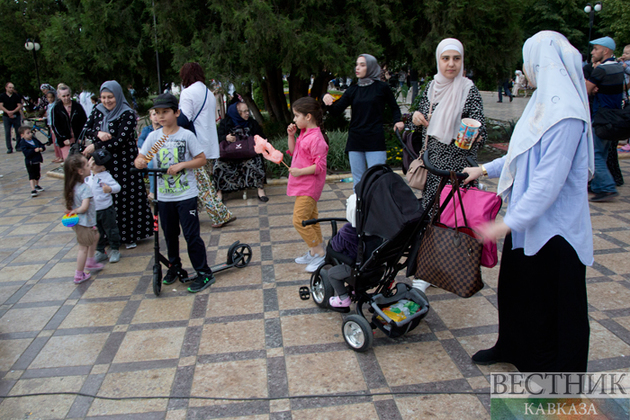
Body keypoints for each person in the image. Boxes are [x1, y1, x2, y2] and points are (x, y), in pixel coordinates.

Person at [463, 31, 593, 373]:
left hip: (556, 230)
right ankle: (513, 347)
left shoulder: (566, 114)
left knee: (555, 303)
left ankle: (558, 372)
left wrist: (506, 223)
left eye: (527, 59)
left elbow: (548, 183)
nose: (525, 67)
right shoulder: (542, 103)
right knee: (518, 292)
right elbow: (522, 156)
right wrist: (483, 169)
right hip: (527, 221)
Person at [135, 93, 216, 293]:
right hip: (164, 197)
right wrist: (140, 162)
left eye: (166, 112)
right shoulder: (155, 138)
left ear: (176, 112)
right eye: (157, 113)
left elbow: (201, 159)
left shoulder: (186, 135)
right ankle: (174, 266)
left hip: (185, 195)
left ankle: (204, 273)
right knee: (170, 235)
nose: (161, 116)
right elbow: (142, 157)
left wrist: (182, 165)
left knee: (191, 235)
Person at [410, 38, 487, 211]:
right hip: (433, 170)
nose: (451, 64)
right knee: (433, 222)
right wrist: (415, 118)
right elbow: (418, 123)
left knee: (459, 222)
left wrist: (476, 134)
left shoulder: (469, 90)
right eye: (446, 58)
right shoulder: (431, 88)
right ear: (438, 60)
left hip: (461, 172)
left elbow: (482, 131)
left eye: (456, 58)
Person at [82, 80, 153, 248]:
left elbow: (121, 140)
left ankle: (130, 235)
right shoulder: (97, 110)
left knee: (126, 198)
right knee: (106, 199)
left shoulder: (127, 113)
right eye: (104, 97)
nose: (107, 101)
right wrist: (98, 133)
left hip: (124, 163)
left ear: (118, 96)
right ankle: (108, 236)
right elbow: (86, 129)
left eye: (111, 97)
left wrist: (96, 145)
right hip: (104, 164)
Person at [323, 54, 403, 188]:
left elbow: (395, 108)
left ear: (371, 67)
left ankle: (377, 208)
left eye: (362, 65)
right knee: (358, 182)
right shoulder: (353, 90)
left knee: (377, 180)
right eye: (357, 64)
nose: (357, 68)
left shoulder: (381, 87)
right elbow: (336, 111)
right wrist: (325, 97)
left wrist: (397, 121)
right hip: (356, 140)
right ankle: (360, 208)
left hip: (375, 139)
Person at [178, 62, 235, 228]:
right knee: (201, 181)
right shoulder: (208, 93)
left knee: (202, 184)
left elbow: (184, 119)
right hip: (210, 144)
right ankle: (190, 214)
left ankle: (221, 215)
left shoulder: (188, 93)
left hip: (196, 146)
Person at [287, 97, 329, 273]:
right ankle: (315, 251)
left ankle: (319, 252)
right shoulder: (304, 133)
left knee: (300, 220)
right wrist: (291, 135)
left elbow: (320, 166)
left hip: (309, 186)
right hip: (301, 185)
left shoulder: (317, 139)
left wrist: (300, 171)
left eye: (297, 116)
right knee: (312, 220)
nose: (295, 119)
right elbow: (293, 151)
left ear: (308, 116)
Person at [584, 36, 624, 202]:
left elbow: (585, 89)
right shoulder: (619, 67)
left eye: (596, 49)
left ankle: (607, 187)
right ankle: (599, 186)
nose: (593, 52)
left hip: (601, 117)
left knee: (594, 153)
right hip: (614, 117)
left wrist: (593, 89)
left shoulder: (601, 70)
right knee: (603, 151)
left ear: (605, 51)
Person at [214, 101, 268, 202]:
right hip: (230, 154)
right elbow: (217, 138)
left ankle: (260, 190)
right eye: (242, 112)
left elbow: (263, 138)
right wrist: (225, 137)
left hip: (248, 154)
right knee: (219, 165)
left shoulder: (252, 123)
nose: (246, 113)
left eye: (247, 111)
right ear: (235, 113)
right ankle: (219, 192)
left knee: (257, 161)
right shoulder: (225, 123)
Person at [64, 154, 105, 284]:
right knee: (83, 248)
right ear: (80, 172)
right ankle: (79, 274)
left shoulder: (72, 186)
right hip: (84, 223)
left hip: (82, 223)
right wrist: (75, 211)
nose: (90, 167)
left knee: (95, 235)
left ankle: (91, 261)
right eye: (87, 165)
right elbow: (84, 207)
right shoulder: (85, 188)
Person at [86, 148, 121, 264]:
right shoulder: (89, 175)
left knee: (111, 230)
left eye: (94, 163)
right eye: (91, 160)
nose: (91, 164)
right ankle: (100, 251)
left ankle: (115, 249)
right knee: (97, 232)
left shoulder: (105, 176)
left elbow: (117, 187)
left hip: (106, 209)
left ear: (103, 167)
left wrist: (109, 189)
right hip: (93, 210)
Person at [327, 194, 359, 308]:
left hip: (355, 267)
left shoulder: (348, 231)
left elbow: (336, 247)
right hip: (375, 266)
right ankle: (356, 289)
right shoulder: (377, 228)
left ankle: (343, 298)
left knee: (332, 274)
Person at [51, 84, 88, 160]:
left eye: (68, 95)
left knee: (80, 160)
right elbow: (55, 125)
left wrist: (82, 137)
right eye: (63, 96)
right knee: (69, 161)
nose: (66, 98)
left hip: (77, 138)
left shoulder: (77, 106)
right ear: (59, 96)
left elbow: (84, 122)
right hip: (65, 140)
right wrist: (63, 138)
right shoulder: (56, 108)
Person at [137, 108, 161, 199]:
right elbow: (140, 141)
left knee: (151, 164)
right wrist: (147, 148)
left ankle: (152, 192)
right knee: (139, 166)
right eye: (154, 114)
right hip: (147, 154)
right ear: (150, 117)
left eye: (157, 114)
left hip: (157, 155)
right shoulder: (146, 129)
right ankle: (139, 192)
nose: (156, 117)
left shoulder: (163, 129)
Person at [18, 126, 46, 197]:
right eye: (28, 133)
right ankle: (33, 189)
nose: (30, 134)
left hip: (37, 160)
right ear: (22, 135)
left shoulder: (34, 140)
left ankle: (37, 185)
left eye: (31, 132)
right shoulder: (23, 143)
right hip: (30, 162)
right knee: (31, 175)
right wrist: (34, 150)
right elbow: (26, 153)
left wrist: (41, 149)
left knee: (37, 174)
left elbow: (42, 145)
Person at [0, 82, 24, 153]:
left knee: (18, 131)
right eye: (10, 87)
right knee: (7, 132)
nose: (11, 89)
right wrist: (7, 112)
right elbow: (1, 105)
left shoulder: (16, 96)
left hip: (16, 115)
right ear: (6, 88)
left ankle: (18, 146)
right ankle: (9, 147)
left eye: (12, 88)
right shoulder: (2, 96)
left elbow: (19, 105)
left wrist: (13, 112)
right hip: (6, 116)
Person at [45, 91, 63, 164]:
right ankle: (57, 155)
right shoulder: (48, 106)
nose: (50, 99)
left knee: (57, 140)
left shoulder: (55, 105)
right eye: (48, 97)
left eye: (51, 97)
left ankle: (61, 156)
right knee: (54, 141)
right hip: (50, 124)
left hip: (55, 124)